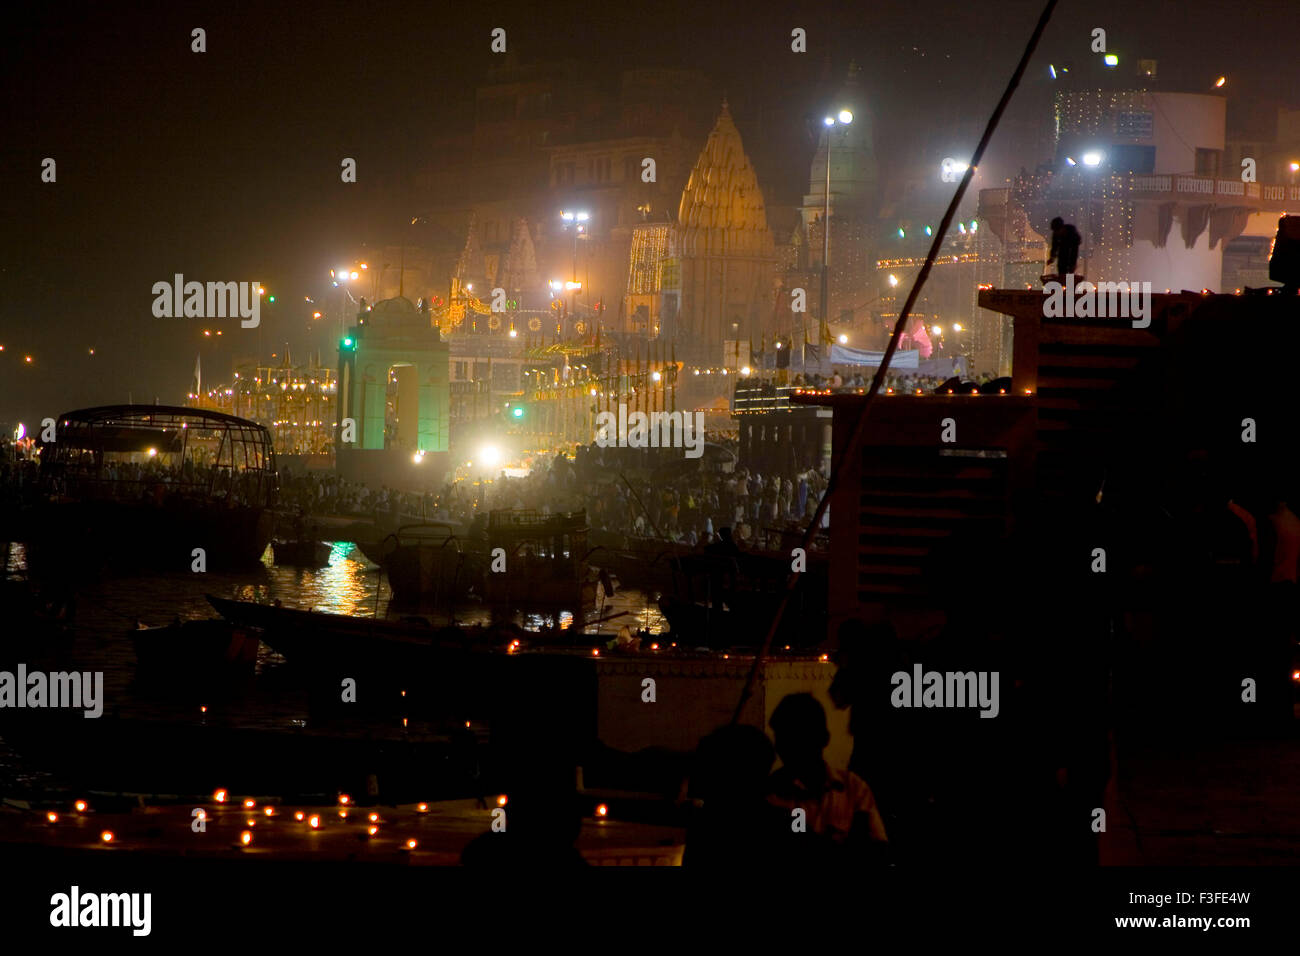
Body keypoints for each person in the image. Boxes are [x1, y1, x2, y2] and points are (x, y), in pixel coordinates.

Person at [766, 693, 889, 864]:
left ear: (823, 739)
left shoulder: (853, 787)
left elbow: (877, 852)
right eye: (786, 739)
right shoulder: (770, 795)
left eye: (800, 738)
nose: (789, 748)